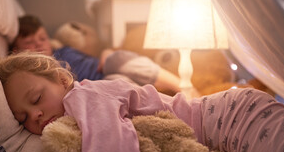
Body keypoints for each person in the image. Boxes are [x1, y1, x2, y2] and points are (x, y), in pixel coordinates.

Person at [0, 52, 284, 152]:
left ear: (63, 80)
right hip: (226, 117)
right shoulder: (75, 108)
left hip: (230, 121)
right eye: (21, 118)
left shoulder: (84, 97)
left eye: (36, 98)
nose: (34, 115)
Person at [10, 15, 181, 95]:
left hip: (106, 66)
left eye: (42, 38)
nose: (39, 44)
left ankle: (182, 87)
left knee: (115, 59)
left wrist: (106, 52)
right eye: (30, 43)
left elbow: (97, 50)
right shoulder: (39, 73)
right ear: (17, 52)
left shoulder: (64, 50)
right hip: (100, 86)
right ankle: (163, 104)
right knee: (117, 83)